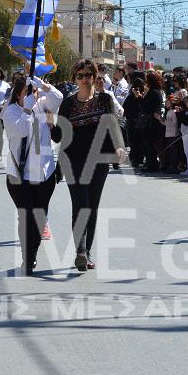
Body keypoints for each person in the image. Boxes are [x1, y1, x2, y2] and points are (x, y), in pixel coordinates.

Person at [53, 60, 126, 272]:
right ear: (75, 78)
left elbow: (113, 125)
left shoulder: (105, 99)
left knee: (92, 206)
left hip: (99, 159)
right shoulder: (67, 103)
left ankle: (87, 252)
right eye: (80, 75)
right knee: (81, 204)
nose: (84, 79)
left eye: (88, 75)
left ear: (94, 76)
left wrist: (120, 147)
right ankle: (81, 252)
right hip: (72, 159)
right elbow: (59, 136)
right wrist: (50, 125)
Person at [3, 73, 63, 275]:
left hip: (45, 173)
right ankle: (26, 257)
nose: (33, 94)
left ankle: (32, 254)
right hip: (19, 175)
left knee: (39, 216)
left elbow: (59, 98)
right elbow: (19, 131)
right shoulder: (11, 111)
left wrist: (43, 85)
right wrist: (27, 109)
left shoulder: (42, 105)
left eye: (34, 91)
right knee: (25, 216)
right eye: (28, 91)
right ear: (19, 94)